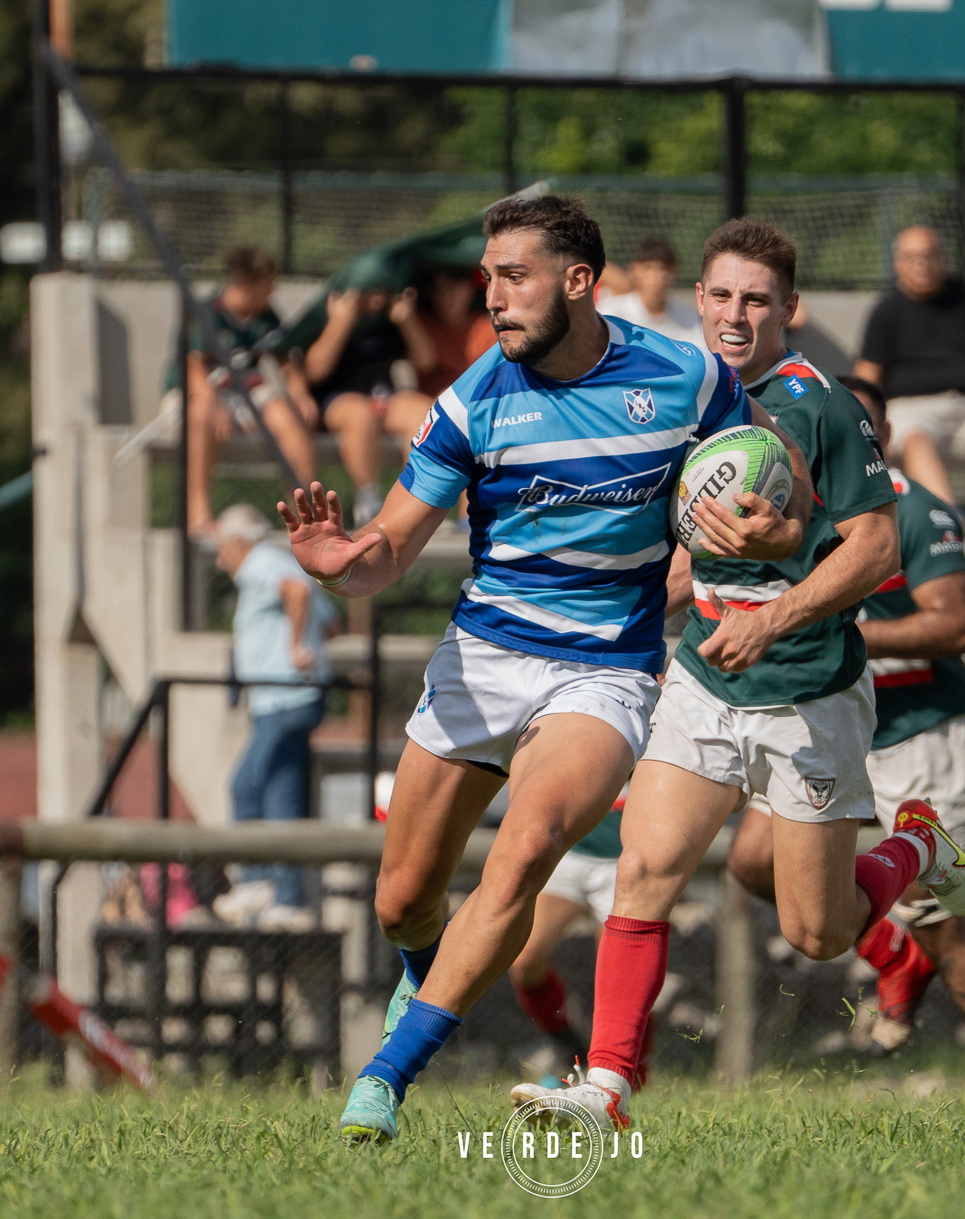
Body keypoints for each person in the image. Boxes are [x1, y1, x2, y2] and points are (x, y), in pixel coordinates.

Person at [279, 195, 808, 1144]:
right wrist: (337, 564)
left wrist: (771, 529)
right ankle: (428, 975)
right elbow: (387, 550)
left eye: (513, 277)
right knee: (401, 900)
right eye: (487, 278)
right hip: (484, 657)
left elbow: (788, 486)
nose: (492, 296)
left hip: (604, 671)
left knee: (526, 847)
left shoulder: (686, 378)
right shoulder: (472, 400)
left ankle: (386, 1077)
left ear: (577, 281)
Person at [511, 217, 965, 1131]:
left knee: (818, 930)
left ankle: (917, 845)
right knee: (645, 869)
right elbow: (692, 550)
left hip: (810, 690)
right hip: (705, 680)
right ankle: (607, 1089)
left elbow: (876, 549)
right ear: (697, 299)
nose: (736, 314)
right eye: (721, 294)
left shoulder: (826, 406)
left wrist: (776, 612)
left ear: (789, 308)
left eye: (757, 299)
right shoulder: (679, 395)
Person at [729, 374, 965, 1108]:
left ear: (881, 438)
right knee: (751, 858)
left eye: (854, 425)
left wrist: (841, 632)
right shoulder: (792, 506)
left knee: (943, 930)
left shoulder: (915, 509)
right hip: (839, 722)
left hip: (922, 734)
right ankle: (888, 953)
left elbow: (956, 624)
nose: (833, 436)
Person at [852, 226, 965, 538]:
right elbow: (867, 373)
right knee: (914, 438)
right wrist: (869, 420)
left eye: (929, 256)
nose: (921, 264)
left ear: (942, 258)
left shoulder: (963, 297)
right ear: (898, 263)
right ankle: (951, 516)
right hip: (912, 411)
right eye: (912, 258)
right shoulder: (886, 310)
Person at [213, 504, 334, 933]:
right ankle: (288, 898)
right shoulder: (282, 562)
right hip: (288, 697)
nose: (219, 559)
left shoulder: (261, 564)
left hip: (284, 697)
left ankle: (256, 881)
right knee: (281, 797)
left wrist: (295, 647)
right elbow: (330, 621)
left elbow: (297, 594)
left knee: (244, 786)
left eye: (221, 548)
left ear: (237, 542)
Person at [507, 794, 646, 1087]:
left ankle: (630, 1077)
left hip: (626, 858)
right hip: (570, 852)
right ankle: (571, 1055)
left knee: (620, 974)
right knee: (525, 959)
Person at [182, 246, 322, 535]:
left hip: (246, 393)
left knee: (286, 414)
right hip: (202, 393)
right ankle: (198, 516)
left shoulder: (266, 315)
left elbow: (286, 361)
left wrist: (300, 395)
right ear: (246, 283)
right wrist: (213, 401)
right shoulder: (206, 312)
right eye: (268, 284)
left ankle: (305, 520)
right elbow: (193, 369)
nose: (273, 291)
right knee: (201, 411)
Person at [302, 272, 438, 526]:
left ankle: (419, 498)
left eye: (382, 292)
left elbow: (426, 362)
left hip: (383, 397)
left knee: (423, 407)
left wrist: (407, 321)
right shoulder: (334, 315)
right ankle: (368, 502)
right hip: (338, 401)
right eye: (370, 292)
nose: (377, 300)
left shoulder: (389, 319)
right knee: (361, 414)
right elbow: (315, 372)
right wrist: (340, 323)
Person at [600, 237, 703, 346]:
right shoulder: (611, 312)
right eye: (648, 268)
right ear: (634, 270)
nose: (656, 276)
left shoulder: (687, 316)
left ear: (673, 271)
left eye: (662, 268)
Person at [416, 267, 485, 399]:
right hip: (432, 403)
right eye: (439, 290)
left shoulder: (485, 326)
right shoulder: (423, 325)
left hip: (476, 400)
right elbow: (424, 363)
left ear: (469, 289)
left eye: (453, 287)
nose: (447, 296)